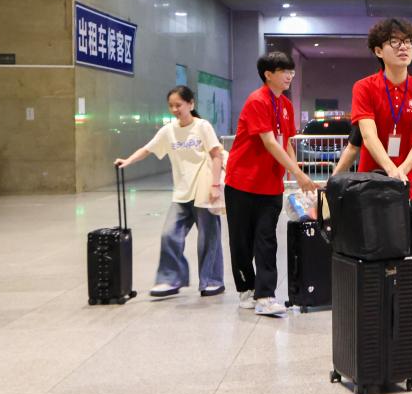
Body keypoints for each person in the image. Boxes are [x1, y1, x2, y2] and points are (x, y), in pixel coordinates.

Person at [350, 18, 412, 373]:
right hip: (372, 194)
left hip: (411, 192)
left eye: (408, 42)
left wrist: (403, 170)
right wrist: (391, 170)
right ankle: (374, 343)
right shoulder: (364, 87)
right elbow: (368, 136)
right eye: (394, 42)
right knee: (373, 267)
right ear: (378, 50)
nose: (404, 47)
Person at [225, 52, 318, 317]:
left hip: (270, 186)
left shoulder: (286, 105)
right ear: (268, 74)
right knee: (241, 242)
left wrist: (296, 173)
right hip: (242, 183)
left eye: (291, 71)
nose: (290, 76)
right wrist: (298, 174)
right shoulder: (257, 101)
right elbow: (269, 142)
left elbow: (286, 143)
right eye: (284, 71)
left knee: (266, 239)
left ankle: (265, 295)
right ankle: (246, 288)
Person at [114, 86, 225, 298]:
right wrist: (127, 161)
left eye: (178, 105)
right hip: (181, 193)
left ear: (191, 104)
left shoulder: (202, 126)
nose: (175, 109)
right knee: (169, 234)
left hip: (203, 190)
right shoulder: (169, 130)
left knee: (208, 238)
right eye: (171, 106)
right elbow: (147, 149)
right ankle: (169, 279)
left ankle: (212, 281)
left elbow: (216, 155)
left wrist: (215, 185)